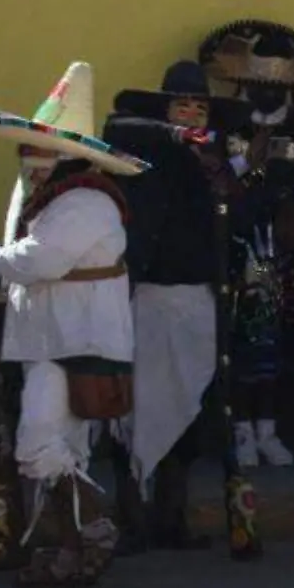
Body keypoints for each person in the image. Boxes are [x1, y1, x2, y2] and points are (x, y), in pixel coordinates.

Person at [0, 63, 148, 587]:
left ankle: (95, 530)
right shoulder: (48, 202)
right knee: (57, 449)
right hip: (54, 339)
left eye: (38, 155)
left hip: (80, 341)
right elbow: (28, 266)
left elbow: (39, 262)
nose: (29, 166)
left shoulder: (86, 201)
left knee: (41, 445)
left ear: (67, 156)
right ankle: (73, 551)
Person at [105, 62, 254, 551]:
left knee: (189, 411)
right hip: (150, 297)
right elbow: (113, 125)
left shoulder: (214, 164)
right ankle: (131, 520)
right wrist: (175, 136)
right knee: (139, 409)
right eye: (182, 105)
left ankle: (172, 521)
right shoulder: (145, 149)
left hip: (199, 298)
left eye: (200, 108)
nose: (192, 114)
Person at [199, 19, 294, 466]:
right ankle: (241, 431)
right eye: (263, 82)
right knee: (244, 334)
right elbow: (221, 179)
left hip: (286, 244)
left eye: (278, 83)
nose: (270, 90)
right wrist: (251, 162)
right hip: (242, 240)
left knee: (285, 336)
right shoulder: (228, 121)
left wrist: (291, 185)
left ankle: (270, 429)